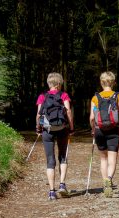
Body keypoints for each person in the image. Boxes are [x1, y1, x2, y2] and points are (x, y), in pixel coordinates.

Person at [36, 72, 74, 200]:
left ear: (49, 83)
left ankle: (52, 192)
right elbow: (68, 111)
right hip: (62, 128)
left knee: (50, 160)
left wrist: (38, 128)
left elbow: (38, 115)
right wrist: (71, 127)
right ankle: (62, 184)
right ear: (59, 84)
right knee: (63, 156)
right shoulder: (64, 95)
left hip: (47, 130)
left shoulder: (43, 96)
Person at [89, 71, 119, 198]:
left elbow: (91, 118)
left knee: (103, 158)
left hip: (99, 130)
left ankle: (105, 182)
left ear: (101, 82)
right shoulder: (118, 96)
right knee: (112, 158)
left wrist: (93, 129)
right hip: (114, 130)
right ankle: (109, 179)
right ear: (113, 82)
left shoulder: (95, 98)